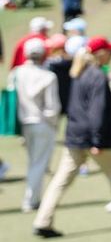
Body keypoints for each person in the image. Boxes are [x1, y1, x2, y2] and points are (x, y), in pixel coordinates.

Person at [32, 37, 111, 238]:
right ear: (100, 54)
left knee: (61, 180)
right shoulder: (97, 76)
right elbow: (98, 111)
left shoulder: (79, 73)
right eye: (109, 52)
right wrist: (98, 140)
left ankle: (42, 220)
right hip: (92, 138)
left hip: (75, 135)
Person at [13, 38, 60, 212]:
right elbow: (52, 107)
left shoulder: (17, 73)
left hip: (25, 123)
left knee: (34, 162)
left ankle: (33, 197)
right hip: (42, 123)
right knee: (38, 163)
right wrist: (53, 124)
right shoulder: (48, 76)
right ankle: (31, 200)